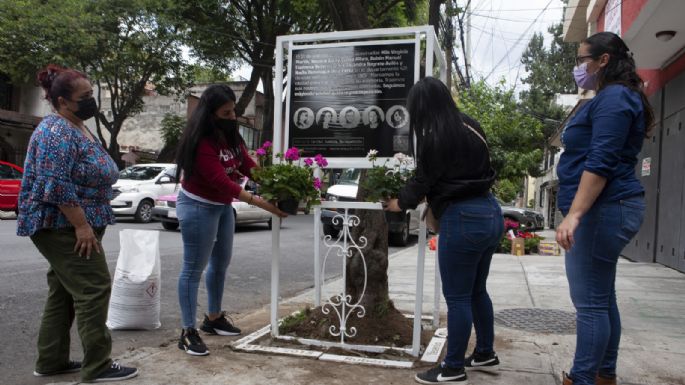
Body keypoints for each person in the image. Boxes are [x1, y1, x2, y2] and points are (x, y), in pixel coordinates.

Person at [17, 64, 138, 382]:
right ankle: (97, 365)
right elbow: (55, 185)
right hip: (62, 224)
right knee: (94, 288)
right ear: (62, 101)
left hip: (73, 222)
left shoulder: (76, 126)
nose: (91, 101)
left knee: (63, 291)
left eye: (92, 95)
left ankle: (51, 360)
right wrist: (82, 226)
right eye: (84, 97)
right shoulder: (55, 131)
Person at [384, 77, 501, 384]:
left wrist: (400, 203)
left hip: (463, 219)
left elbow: (423, 181)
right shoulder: (471, 125)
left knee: (458, 297)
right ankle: (485, 351)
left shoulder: (436, 136)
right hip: (490, 212)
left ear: (421, 107)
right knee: (477, 290)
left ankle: (452, 368)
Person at [557, 32, 652, 385]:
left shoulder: (614, 98)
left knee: (590, 305)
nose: (579, 67)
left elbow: (600, 162)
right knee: (601, 297)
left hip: (604, 208)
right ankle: (603, 374)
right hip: (609, 207)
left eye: (583, 60)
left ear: (603, 61)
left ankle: (582, 379)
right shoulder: (613, 97)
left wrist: (575, 213)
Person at [174, 84, 287, 356]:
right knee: (193, 269)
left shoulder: (231, 134)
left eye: (233, 110)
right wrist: (264, 204)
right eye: (226, 113)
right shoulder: (201, 140)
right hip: (198, 207)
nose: (232, 116)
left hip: (222, 207)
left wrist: (275, 183)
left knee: (220, 263)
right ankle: (188, 332)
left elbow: (246, 163)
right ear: (211, 114)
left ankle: (213, 318)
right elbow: (220, 181)